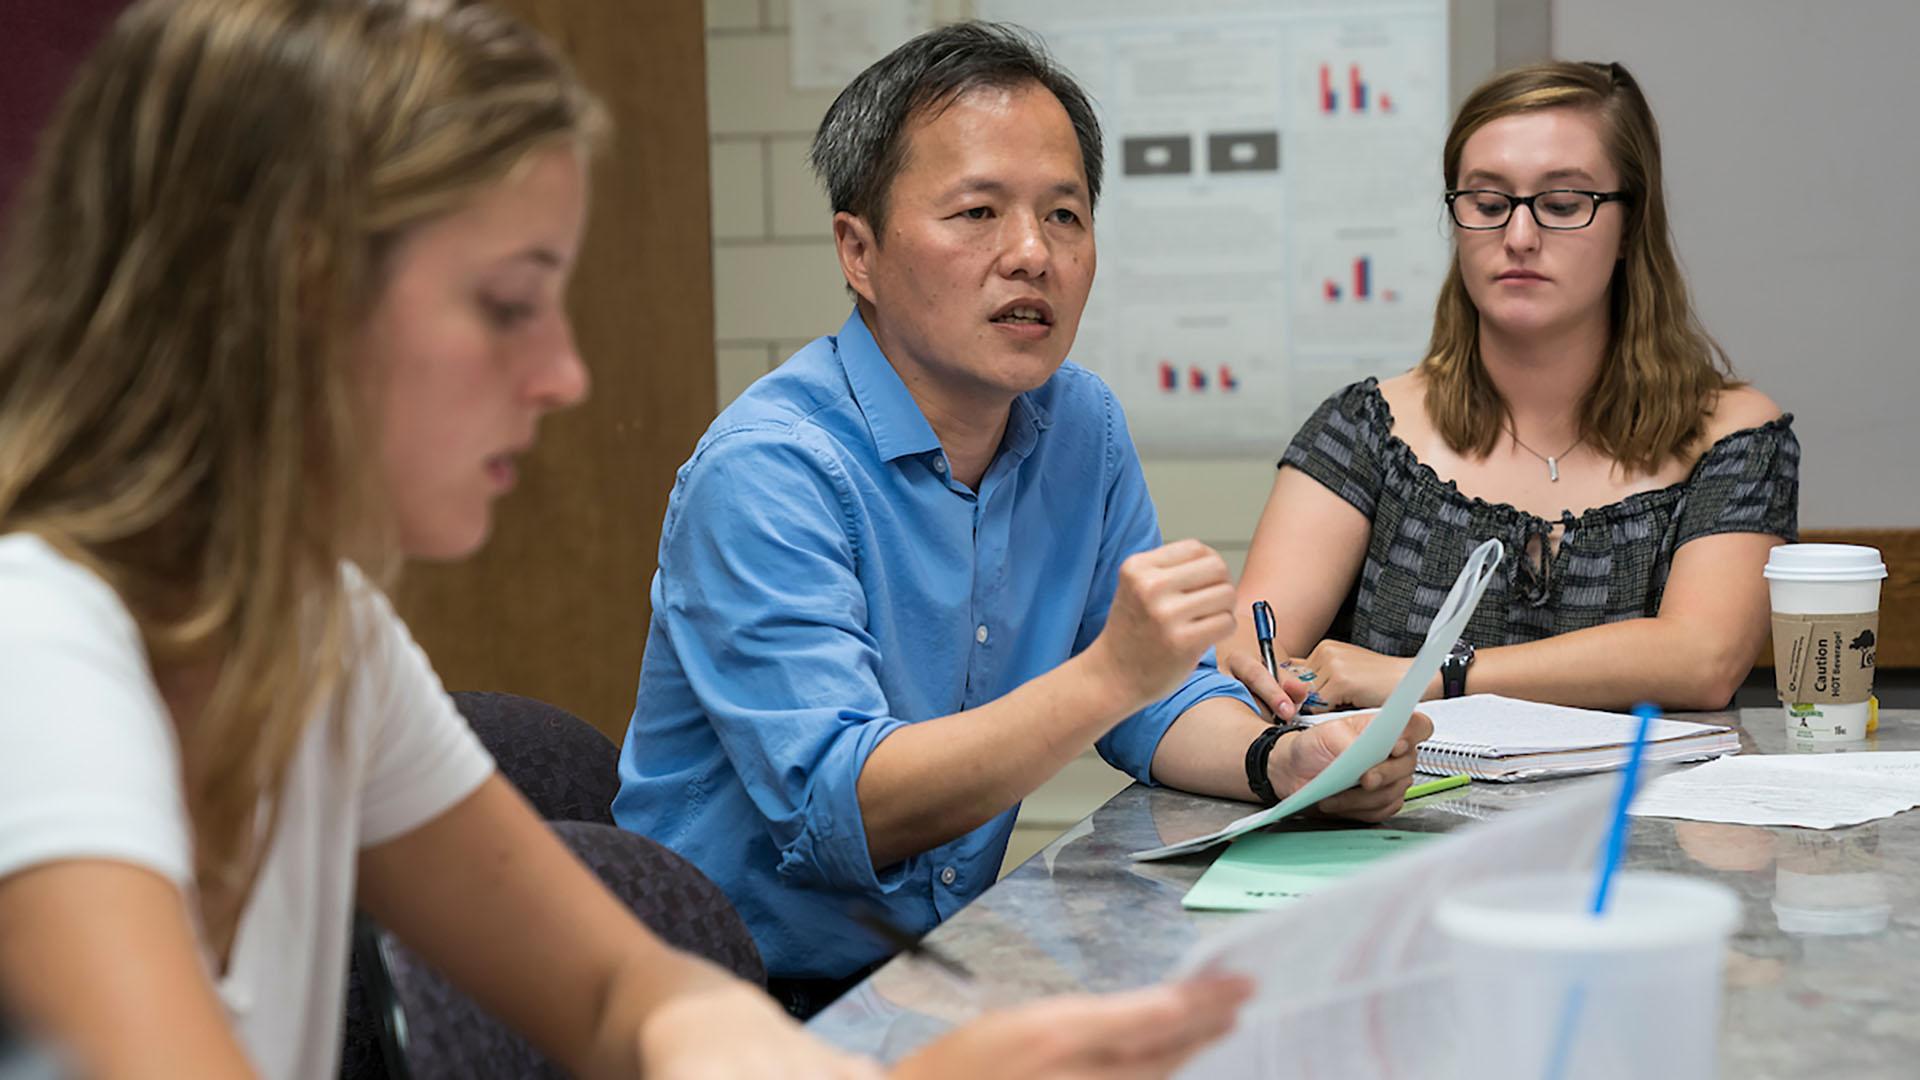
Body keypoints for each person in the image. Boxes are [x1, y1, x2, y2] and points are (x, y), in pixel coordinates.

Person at [0, 2, 1253, 1076]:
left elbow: (633, 994)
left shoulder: (323, 635)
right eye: (506, 304)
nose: (564, 375)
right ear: (281, 299)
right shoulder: (43, 655)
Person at [614, 21, 1431, 1017]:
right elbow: (847, 810)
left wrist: (1287, 763)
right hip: (735, 1006)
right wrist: (1110, 674)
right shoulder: (770, 471)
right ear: (857, 251)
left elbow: (1154, 702)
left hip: (941, 966)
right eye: (976, 213)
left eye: (1065, 214)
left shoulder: (1078, 423)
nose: (1032, 254)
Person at [1225, 61, 1798, 716]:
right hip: (1401, 815)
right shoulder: (1366, 428)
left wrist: (1431, 675)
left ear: (1630, 227)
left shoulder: (1732, 434)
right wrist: (1271, 679)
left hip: (1641, 818)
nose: (1519, 237)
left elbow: (1702, 659)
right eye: (1488, 204)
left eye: (1561, 205)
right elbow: (1250, 656)